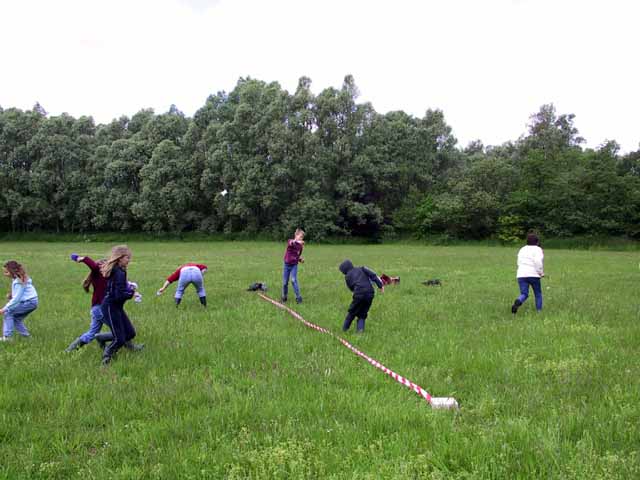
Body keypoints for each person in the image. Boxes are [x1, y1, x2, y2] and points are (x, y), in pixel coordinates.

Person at [65, 254, 143, 352]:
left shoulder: (108, 276)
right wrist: (81, 258)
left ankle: (69, 350)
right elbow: (93, 265)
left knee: (91, 333)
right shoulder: (98, 273)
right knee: (120, 329)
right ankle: (129, 347)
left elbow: (121, 286)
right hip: (101, 309)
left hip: (96, 309)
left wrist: (132, 290)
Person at [100, 245, 140, 365]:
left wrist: (130, 288)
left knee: (130, 333)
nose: (129, 260)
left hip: (117, 307)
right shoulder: (118, 272)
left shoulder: (120, 270)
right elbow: (118, 295)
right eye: (127, 257)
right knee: (120, 339)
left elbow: (120, 288)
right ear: (119, 258)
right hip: (110, 307)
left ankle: (101, 337)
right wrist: (132, 293)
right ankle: (107, 356)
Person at [338, 259, 384, 333]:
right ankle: (360, 332)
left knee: (351, 312)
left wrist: (356, 293)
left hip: (358, 294)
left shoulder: (347, 277)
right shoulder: (362, 268)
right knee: (362, 314)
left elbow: (351, 287)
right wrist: (380, 285)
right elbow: (373, 275)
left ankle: (344, 330)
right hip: (370, 293)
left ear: (344, 271)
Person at [1, 260, 38, 341]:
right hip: (32, 302)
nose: (4, 274)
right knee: (16, 318)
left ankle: (7, 337)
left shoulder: (19, 282)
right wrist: (11, 295)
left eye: (6, 272)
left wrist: (4, 308)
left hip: (29, 302)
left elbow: (16, 299)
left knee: (8, 312)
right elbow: (20, 293)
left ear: (12, 272)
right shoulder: (19, 279)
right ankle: (27, 337)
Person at [511, 233, 544, 314]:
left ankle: (518, 301)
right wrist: (540, 272)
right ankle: (539, 311)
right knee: (538, 293)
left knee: (524, 293)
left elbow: (518, 262)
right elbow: (538, 262)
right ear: (537, 242)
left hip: (521, 274)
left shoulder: (522, 249)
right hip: (533, 274)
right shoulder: (537, 249)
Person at [282, 228, 305, 304]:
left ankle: (298, 298)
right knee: (285, 282)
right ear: (296, 235)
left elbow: (297, 255)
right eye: (300, 236)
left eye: (302, 237)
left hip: (294, 265)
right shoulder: (290, 241)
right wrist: (296, 241)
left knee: (293, 280)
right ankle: (284, 296)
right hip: (287, 264)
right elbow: (291, 243)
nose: (301, 238)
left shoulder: (300, 247)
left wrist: (300, 259)